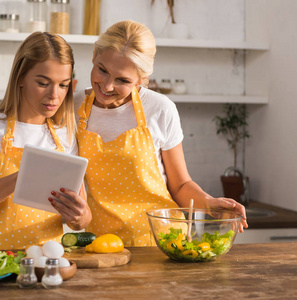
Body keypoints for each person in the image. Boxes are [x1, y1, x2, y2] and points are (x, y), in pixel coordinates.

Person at [72, 20, 248, 247]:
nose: (107, 86)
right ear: (95, 55)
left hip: (162, 242)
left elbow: (180, 185)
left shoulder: (160, 108)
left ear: (142, 80)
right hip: (102, 244)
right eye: (102, 70)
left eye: (123, 80)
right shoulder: (73, 107)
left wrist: (208, 203)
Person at [0, 32, 91, 250]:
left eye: (63, 85)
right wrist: (22, 178)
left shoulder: (65, 136)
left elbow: (81, 218)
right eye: (43, 83)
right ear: (21, 79)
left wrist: (79, 217)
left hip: (46, 265)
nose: (55, 95)